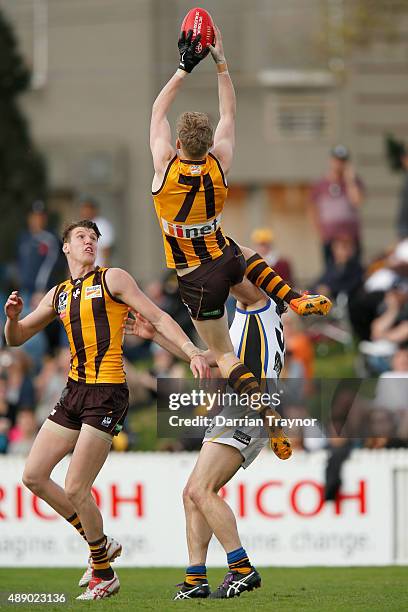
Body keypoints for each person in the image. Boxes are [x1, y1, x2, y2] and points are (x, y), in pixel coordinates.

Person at [4, 219, 209, 600]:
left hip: (108, 392)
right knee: (33, 475)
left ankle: (103, 571)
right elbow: (17, 339)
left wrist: (193, 351)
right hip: (74, 392)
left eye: (93, 238)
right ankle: (99, 545)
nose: (89, 242)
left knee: (77, 486)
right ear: (65, 247)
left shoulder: (112, 278)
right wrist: (12, 318)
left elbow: (159, 317)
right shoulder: (59, 293)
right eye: (81, 237)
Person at [150, 25, 331, 455]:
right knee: (246, 254)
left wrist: (181, 69)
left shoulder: (164, 168)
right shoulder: (220, 163)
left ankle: (266, 412)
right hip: (225, 257)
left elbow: (156, 113)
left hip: (195, 276)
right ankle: (293, 298)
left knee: (224, 355)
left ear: (177, 145)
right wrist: (220, 63)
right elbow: (229, 114)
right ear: (209, 144)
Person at [125, 289, 285, 599]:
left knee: (201, 491)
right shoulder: (253, 318)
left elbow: (218, 359)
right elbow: (205, 358)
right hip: (241, 406)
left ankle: (241, 568)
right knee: (191, 494)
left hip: (246, 407)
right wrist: (156, 337)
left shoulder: (257, 311)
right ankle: (196, 577)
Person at [310, 145, 365, 265]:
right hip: (330, 238)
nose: (339, 164)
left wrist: (350, 180)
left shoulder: (354, 182)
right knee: (330, 272)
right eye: (337, 160)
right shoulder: (321, 184)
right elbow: (313, 210)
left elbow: (357, 201)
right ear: (331, 161)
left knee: (353, 271)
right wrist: (320, 233)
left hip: (350, 238)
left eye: (343, 161)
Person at [79, 196, 115, 267]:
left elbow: (106, 249)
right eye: (84, 209)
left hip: (97, 267)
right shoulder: (79, 226)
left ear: (94, 210)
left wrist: (104, 269)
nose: (85, 212)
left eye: (88, 209)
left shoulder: (102, 225)